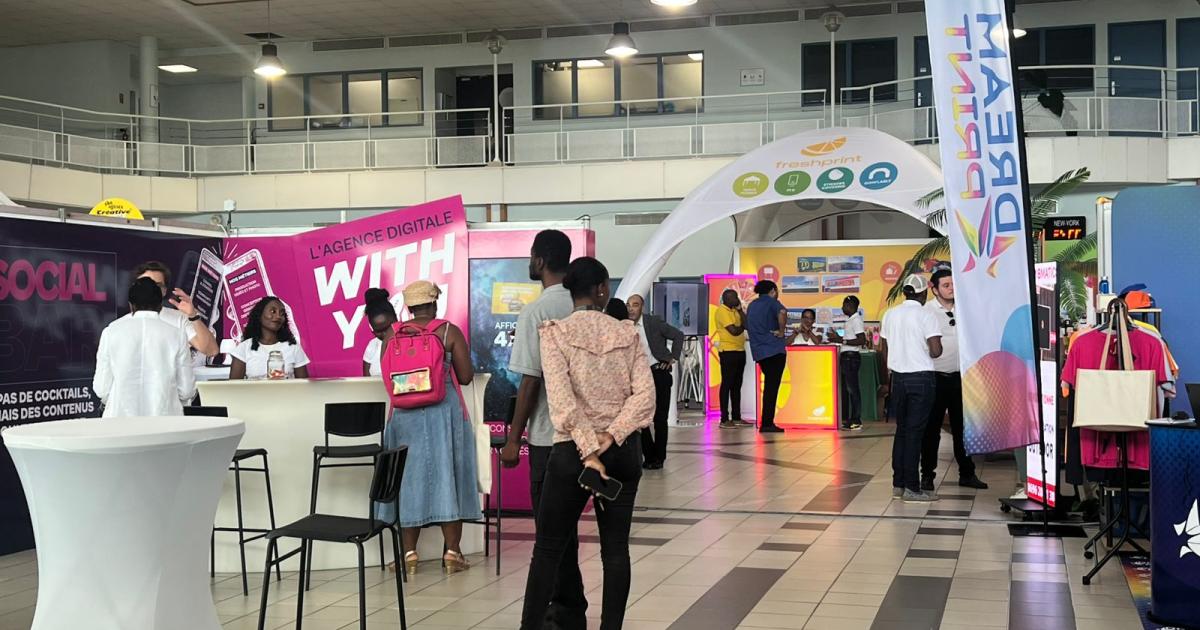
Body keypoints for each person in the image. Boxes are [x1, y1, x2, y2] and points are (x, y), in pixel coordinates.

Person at [520, 257, 654, 630]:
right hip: (622, 453)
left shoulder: (555, 333)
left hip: (571, 454)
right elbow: (646, 398)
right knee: (615, 552)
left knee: (548, 550)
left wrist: (588, 449)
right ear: (602, 290)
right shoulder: (627, 334)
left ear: (571, 292)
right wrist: (613, 435)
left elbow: (563, 404)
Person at [500, 230, 586, 627]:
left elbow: (529, 382)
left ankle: (564, 610)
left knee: (551, 533)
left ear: (539, 260)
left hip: (548, 436)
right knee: (566, 531)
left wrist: (513, 439)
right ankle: (569, 607)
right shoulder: (585, 306)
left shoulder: (536, 312)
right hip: (586, 436)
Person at [375, 281, 480, 575]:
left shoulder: (391, 334)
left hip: (404, 417)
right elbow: (466, 376)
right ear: (434, 304)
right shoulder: (448, 331)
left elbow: (386, 376)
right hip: (444, 413)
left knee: (407, 480)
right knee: (450, 475)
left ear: (409, 307)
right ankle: (452, 553)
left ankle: (408, 554)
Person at [921, 269, 989, 491]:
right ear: (934, 289)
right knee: (931, 430)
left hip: (963, 378)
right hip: (936, 378)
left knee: (963, 428)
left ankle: (967, 473)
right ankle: (927, 475)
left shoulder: (965, 308)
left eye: (953, 284)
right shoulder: (926, 311)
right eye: (946, 285)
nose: (951, 289)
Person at [878, 275, 943, 503]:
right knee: (915, 434)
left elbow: (883, 348)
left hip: (898, 379)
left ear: (905, 292)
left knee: (902, 432)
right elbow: (936, 351)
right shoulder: (927, 315)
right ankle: (913, 489)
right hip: (921, 378)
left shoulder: (890, 314)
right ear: (923, 293)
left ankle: (898, 485)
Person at [93, 277, 196, 417]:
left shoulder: (110, 332)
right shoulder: (177, 335)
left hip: (119, 421)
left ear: (131, 305)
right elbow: (187, 390)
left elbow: (102, 389)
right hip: (166, 422)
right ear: (160, 305)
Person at [627, 294, 684, 469]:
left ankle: (659, 458)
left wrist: (673, 358)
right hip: (638, 377)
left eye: (635, 305)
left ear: (642, 307)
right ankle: (649, 455)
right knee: (639, 418)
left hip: (658, 372)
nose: (631, 309)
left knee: (660, 417)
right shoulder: (624, 326)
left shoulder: (653, 322)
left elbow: (678, 335)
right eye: (628, 305)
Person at [129, 261, 219, 358]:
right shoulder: (121, 325)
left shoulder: (180, 318)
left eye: (157, 286)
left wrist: (193, 316)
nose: (150, 290)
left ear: (164, 291)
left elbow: (212, 351)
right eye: (145, 285)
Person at [745, 280, 798, 434]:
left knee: (769, 387)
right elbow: (782, 312)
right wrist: (781, 331)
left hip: (759, 352)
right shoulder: (772, 302)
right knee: (772, 388)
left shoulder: (752, 305)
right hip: (774, 350)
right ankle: (767, 423)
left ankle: (766, 422)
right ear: (773, 291)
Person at [228, 296, 310, 380]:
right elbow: (234, 386)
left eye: (282, 313)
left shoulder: (293, 347)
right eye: (273, 311)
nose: (278, 316)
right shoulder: (244, 348)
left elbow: (303, 384)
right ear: (259, 315)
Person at [827, 296, 868, 431]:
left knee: (853, 389)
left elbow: (861, 340)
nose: (842, 308)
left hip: (851, 358)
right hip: (847, 357)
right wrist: (838, 338)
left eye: (844, 305)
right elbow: (849, 339)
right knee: (849, 390)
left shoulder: (856, 320)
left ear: (850, 305)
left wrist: (841, 340)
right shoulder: (851, 320)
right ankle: (850, 419)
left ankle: (856, 420)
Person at [714, 289, 750, 429]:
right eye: (734, 297)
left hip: (740, 350)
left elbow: (746, 324)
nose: (737, 299)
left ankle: (736, 417)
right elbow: (733, 331)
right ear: (726, 299)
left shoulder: (735, 310)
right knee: (727, 385)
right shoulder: (721, 311)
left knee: (736, 385)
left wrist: (740, 311)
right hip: (728, 352)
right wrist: (742, 326)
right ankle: (724, 419)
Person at [361, 288, 399, 376]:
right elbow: (366, 381)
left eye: (388, 328)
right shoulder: (372, 346)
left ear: (396, 318)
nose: (385, 334)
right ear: (372, 328)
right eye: (379, 331)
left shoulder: (411, 341)